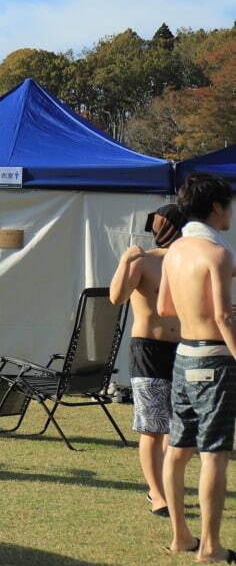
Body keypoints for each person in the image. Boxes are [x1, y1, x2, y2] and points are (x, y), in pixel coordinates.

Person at [159, 172, 236, 565]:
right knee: (214, 455)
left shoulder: (175, 250)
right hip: (216, 359)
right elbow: (223, 316)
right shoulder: (218, 254)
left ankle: (180, 537)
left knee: (178, 449)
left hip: (184, 355)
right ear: (217, 207)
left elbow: (165, 309)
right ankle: (210, 546)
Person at [108, 203, 187, 517]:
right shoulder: (144, 262)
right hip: (149, 349)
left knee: (176, 429)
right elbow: (116, 298)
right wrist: (125, 261)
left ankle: (166, 486)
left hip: (183, 349)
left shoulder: (191, 262)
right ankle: (156, 493)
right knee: (153, 428)